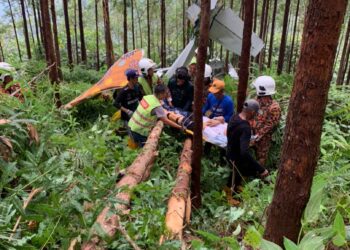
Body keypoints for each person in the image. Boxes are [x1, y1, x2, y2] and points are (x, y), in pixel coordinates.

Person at [225, 100, 269, 204]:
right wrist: (261, 169)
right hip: (236, 157)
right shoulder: (245, 127)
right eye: (256, 113)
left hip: (229, 151)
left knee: (240, 172)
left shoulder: (234, 117)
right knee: (238, 173)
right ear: (252, 112)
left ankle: (234, 189)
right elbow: (244, 152)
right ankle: (230, 197)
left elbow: (231, 134)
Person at [250, 76, 281, 165]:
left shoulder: (274, 108)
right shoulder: (257, 101)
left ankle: (260, 175)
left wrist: (255, 138)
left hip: (263, 139)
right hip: (251, 133)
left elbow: (268, 127)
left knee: (261, 158)